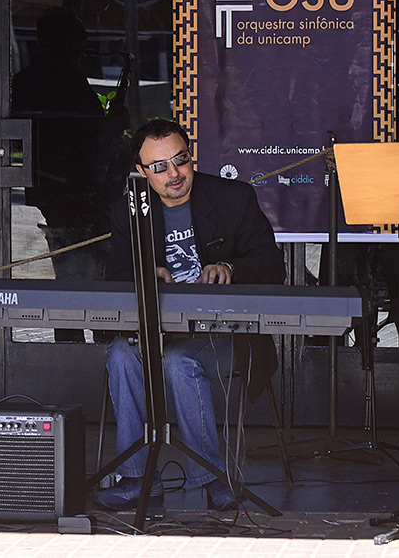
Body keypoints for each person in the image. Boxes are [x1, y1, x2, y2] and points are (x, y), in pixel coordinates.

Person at [95, 119, 285, 511]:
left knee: (179, 362)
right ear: (143, 173)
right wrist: (146, 275)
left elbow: (271, 264)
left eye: (180, 160)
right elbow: (114, 276)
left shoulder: (233, 198)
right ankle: (135, 478)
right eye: (159, 167)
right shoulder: (128, 210)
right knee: (120, 354)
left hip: (228, 335)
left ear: (190, 156)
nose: (173, 174)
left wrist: (231, 268)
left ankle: (213, 478)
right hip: (159, 332)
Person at [12, 7, 128, 340]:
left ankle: (71, 340)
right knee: (91, 276)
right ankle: (101, 343)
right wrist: (115, 123)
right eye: (79, 35)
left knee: (69, 275)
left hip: (54, 191)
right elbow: (86, 137)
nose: (85, 42)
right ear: (62, 40)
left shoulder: (26, 80)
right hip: (79, 192)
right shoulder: (67, 80)